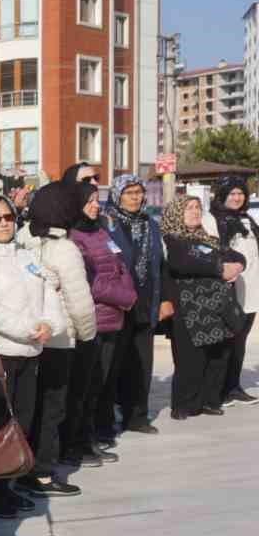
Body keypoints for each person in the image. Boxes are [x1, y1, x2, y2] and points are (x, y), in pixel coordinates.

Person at [0, 194, 68, 519]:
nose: (4, 223)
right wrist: (28, 328)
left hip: (29, 351)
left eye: (8, 216)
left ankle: (6, 485)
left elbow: (49, 292)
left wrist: (49, 324)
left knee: (20, 421)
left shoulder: (26, 255)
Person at [15, 183, 96, 498]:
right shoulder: (65, 248)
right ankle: (43, 473)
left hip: (28, 337)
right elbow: (79, 302)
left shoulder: (22, 238)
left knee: (29, 408)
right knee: (52, 408)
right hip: (59, 339)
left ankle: (22, 468)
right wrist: (87, 336)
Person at [65, 182, 137, 465]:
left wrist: (128, 294)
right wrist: (125, 297)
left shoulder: (101, 232)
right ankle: (77, 444)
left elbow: (120, 267)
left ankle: (91, 438)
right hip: (92, 319)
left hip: (114, 318)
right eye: (90, 201)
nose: (96, 205)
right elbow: (90, 282)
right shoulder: (74, 237)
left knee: (101, 385)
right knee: (85, 386)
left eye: (98, 200)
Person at [161, 194, 246, 419]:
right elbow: (184, 262)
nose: (195, 212)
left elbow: (235, 255)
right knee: (190, 360)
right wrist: (220, 268)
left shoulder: (207, 239)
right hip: (190, 309)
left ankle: (210, 400)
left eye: (197, 207)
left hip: (216, 307)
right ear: (177, 213)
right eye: (188, 208)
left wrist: (237, 265)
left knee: (217, 356)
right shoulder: (173, 239)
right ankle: (183, 405)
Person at [105, 176, 164, 434]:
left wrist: (164, 300)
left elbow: (160, 264)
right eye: (129, 192)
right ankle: (106, 419)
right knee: (114, 365)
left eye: (138, 192)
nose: (135, 197)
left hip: (145, 302)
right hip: (118, 306)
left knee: (142, 363)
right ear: (118, 195)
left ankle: (137, 416)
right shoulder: (107, 223)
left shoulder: (150, 223)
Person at [208, 176, 259, 405]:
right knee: (229, 338)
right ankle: (220, 388)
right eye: (233, 193)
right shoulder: (216, 220)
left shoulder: (247, 218)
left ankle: (233, 386)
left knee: (241, 338)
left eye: (241, 194)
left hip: (252, 287)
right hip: (232, 287)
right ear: (222, 196)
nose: (237, 197)